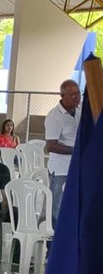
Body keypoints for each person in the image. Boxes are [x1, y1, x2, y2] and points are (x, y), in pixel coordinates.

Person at [44, 79, 81, 227]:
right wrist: (75, 150)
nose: (77, 97)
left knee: (74, 204)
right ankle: (53, 243)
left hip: (76, 167)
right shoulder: (55, 116)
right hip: (60, 169)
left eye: (78, 93)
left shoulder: (79, 110)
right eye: (72, 94)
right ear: (62, 96)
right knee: (57, 208)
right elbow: (51, 146)